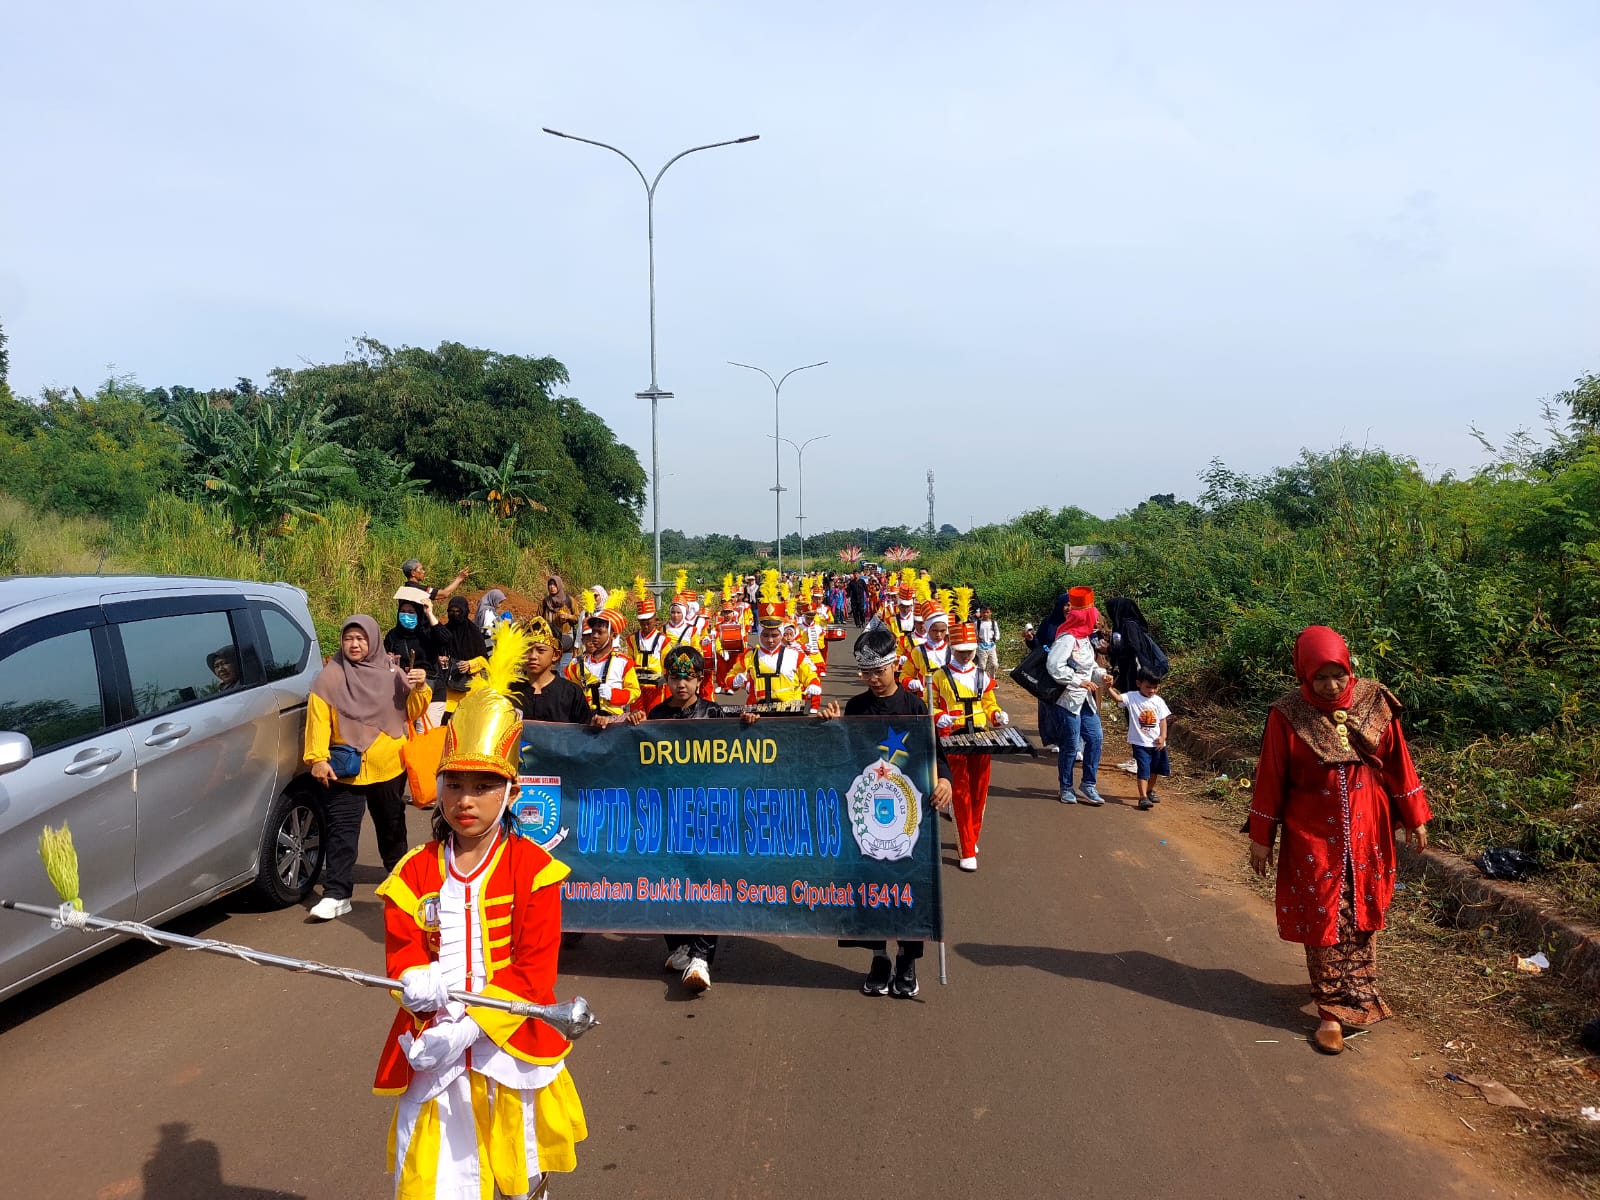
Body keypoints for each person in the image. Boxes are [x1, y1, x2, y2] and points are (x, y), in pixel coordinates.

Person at [374, 652, 587, 1196]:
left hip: (509, 1048)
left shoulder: (534, 869)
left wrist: (471, 1025)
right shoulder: (413, 871)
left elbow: (534, 973)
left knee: (518, 1178)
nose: (465, 800)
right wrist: (415, 990)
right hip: (433, 1049)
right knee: (438, 1179)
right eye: (455, 784)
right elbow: (402, 957)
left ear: (512, 792)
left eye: (484, 786)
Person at [1248, 626, 1432, 1055]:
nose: (1331, 686)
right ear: (1304, 675)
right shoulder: (1287, 715)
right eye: (1320, 678)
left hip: (1369, 831)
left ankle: (1359, 992)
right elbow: (1271, 777)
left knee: (1361, 913)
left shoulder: (1374, 701)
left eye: (1339, 676)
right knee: (1324, 915)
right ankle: (1330, 1011)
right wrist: (1262, 836)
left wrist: (1415, 815)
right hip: (1312, 834)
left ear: (1350, 670)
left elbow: (1398, 761)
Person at [818, 627, 953, 998]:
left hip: (911, 812)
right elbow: (845, 755)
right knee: (870, 888)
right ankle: (879, 958)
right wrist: (832, 727)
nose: (873, 680)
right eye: (866, 673)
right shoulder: (857, 707)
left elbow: (934, 755)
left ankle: (907, 960)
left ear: (895, 665)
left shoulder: (914, 706)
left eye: (879, 671)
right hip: (867, 814)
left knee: (908, 887)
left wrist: (945, 783)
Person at [305, 615, 431, 920]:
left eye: (361, 639)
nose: (355, 644)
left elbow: (411, 712)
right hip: (345, 768)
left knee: (391, 825)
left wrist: (420, 687)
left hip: (388, 764)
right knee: (341, 831)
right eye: (349, 639)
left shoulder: (391, 674)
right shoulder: (329, 677)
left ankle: (398, 876)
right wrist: (317, 758)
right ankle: (337, 893)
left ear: (373, 640)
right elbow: (318, 719)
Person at [623, 645, 734, 993]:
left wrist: (748, 725)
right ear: (667, 679)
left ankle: (702, 955)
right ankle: (681, 946)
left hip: (703, 812)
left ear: (700, 680)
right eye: (675, 677)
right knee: (668, 879)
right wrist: (631, 724)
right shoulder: (656, 715)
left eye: (689, 677)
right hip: (668, 812)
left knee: (704, 879)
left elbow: (737, 754)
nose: (682, 684)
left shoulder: (714, 713)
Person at [930, 600, 1008, 871]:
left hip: (982, 739)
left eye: (970, 651)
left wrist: (997, 714)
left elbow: (989, 703)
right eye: (961, 651)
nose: (966, 655)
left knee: (979, 793)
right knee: (961, 793)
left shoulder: (983, 675)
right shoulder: (939, 677)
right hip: (953, 739)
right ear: (953, 648)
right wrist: (942, 717)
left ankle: (971, 836)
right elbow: (932, 708)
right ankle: (966, 847)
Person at [1046, 587, 1108, 806]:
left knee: (1095, 738)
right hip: (1068, 699)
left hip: (1085, 700)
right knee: (1071, 745)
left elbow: (1091, 667)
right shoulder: (1067, 639)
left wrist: (1103, 676)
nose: (1096, 620)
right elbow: (1054, 666)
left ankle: (1088, 784)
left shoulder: (1083, 639)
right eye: (1093, 616)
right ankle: (1066, 787)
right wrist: (1078, 681)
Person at [505, 617, 594, 725]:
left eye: (540, 650)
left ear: (555, 655)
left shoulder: (570, 693)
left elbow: (584, 732)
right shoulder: (508, 691)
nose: (533, 656)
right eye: (526, 650)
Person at [1107, 670, 1171, 810]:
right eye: (1148, 687)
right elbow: (1118, 699)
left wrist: (1163, 736)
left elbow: (1162, 720)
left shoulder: (1158, 701)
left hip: (1157, 743)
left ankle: (1149, 791)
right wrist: (1108, 688)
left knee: (1155, 770)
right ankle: (1142, 797)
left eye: (1155, 687)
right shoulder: (1132, 697)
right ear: (1139, 684)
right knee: (1144, 768)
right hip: (1140, 743)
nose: (1152, 690)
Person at [565, 608, 640, 720]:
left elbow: (635, 691)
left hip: (613, 721)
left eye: (600, 632)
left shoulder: (623, 662)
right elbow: (568, 691)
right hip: (585, 720)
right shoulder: (576, 664)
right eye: (593, 631)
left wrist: (612, 694)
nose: (594, 636)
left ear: (613, 636)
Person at [387, 586, 446, 725]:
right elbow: (384, 656)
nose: (406, 615)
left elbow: (446, 639)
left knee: (423, 735)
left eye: (411, 612)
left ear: (419, 614)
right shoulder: (393, 635)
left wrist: (429, 613)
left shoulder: (428, 633)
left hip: (431, 689)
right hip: (403, 692)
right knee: (404, 735)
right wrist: (389, 659)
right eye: (403, 611)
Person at [436, 594, 489, 723]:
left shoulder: (474, 633)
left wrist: (470, 664)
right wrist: (439, 659)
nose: (454, 615)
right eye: (451, 611)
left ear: (465, 612)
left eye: (458, 611)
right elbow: (433, 653)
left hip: (469, 689)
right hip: (447, 690)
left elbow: (484, 659)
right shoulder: (444, 632)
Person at [629, 586, 668, 714]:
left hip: (656, 688)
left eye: (649, 622)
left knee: (655, 718)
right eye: (642, 622)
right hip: (637, 687)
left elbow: (667, 663)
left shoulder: (663, 640)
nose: (645, 626)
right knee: (636, 719)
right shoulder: (632, 639)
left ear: (655, 620)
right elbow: (629, 663)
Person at [541, 575, 578, 667]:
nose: (552, 587)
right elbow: (539, 619)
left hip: (566, 638)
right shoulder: (545, 602)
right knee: (554, 671)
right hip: (550, 638)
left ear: (559, 585)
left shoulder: (569, 601)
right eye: (550, 585)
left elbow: (578, 618)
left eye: (554, 585)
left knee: (564, 671)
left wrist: (568, 617)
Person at [402, 557, 471, 603]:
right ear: (413, 573)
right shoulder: (420, 590)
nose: (424, 571)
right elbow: (444, 593)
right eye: (421, 569)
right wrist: (459, 578)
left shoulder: (404, 589)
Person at [975, 604, 1000, 678]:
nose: (985, 614)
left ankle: (992, 679)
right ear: (980, 613)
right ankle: (982, 680)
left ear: (990, 613)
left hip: (991, 646)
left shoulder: (993, 623)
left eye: (987, 612)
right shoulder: (977, 623)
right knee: (982, 666)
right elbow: (974, 632)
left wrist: (995, 638)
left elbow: (997, 632)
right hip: (981, 646)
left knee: (994, 664)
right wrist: (976, 638)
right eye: (983, 612)